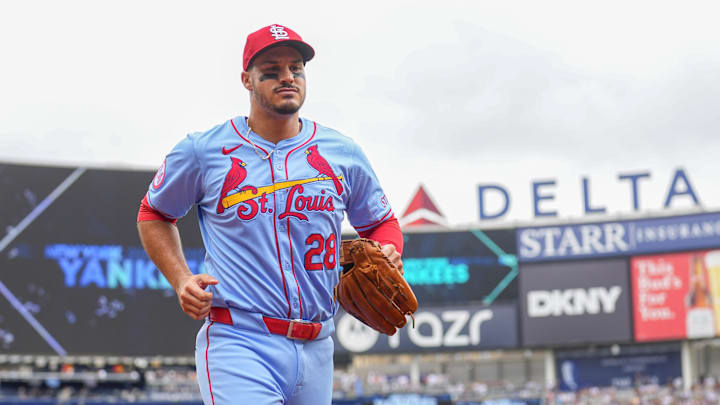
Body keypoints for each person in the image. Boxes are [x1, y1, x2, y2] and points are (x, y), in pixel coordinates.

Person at [136, 24, 404, 404]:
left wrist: (389, 250)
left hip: (318, 344)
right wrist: (181, 279)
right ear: (246, 79)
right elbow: (154, 213)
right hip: (240, 340)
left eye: (296, 67)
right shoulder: (204, 151)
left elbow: (381, 224)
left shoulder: (341, 152)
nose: (287, 77)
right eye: (272, 70)